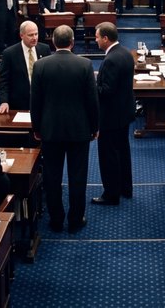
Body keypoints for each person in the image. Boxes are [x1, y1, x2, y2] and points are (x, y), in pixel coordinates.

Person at [30, 25, 99, 233]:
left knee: (52, 177)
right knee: (78, 177)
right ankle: (76, 220)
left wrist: (36, 128)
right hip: (79, 130)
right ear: (72, 42)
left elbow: (35, 102)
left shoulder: (40, 65)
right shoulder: (85, 64)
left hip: (50, 130)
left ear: (53, 42)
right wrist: (95, 127)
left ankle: (56, 219)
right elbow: (92, 101)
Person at [92, 22, 135, 205]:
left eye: (97, 37)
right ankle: (125, 188)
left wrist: (92, 85)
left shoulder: (110, 59)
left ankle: (111, 194)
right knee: (123, 152)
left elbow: (106, 91)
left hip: (110, 116)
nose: (95, 40)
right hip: (124, 112)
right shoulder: (125, 53)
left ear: (105, 38)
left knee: (109, 156)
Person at [0, 21, 50, 114]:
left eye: (36, 34)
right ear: (21, 35)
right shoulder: (10, 54)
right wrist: (4, 101)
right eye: (30, 35)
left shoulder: (45, 49)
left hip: (42, 101)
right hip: (19, 103)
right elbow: (3, 81)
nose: (34, 38)